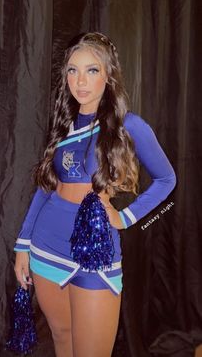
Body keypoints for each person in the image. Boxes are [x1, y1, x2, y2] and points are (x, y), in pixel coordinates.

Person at [14, 32, 176, 357]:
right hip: (46, 247)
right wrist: (23, 245)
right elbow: (46, 189)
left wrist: (125, 217)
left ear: (108, 75)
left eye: (91, 70)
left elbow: (167, 180)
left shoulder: (128, 125)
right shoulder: (64, 125)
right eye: (72, 70)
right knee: (62, 339)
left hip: (95, 251)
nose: (80, 80)